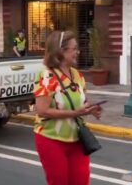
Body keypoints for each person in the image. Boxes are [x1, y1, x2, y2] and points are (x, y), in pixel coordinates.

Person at [34, 30, 102, 185]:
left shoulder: (78, 75)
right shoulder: (47, 77)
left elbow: (81, 102)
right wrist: (74, 113)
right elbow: (42, 111)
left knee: (81, 181)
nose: (78, 52)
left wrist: (91, 109)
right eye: (74, 49)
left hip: (77, 139)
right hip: (51, 139)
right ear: (61, 51)